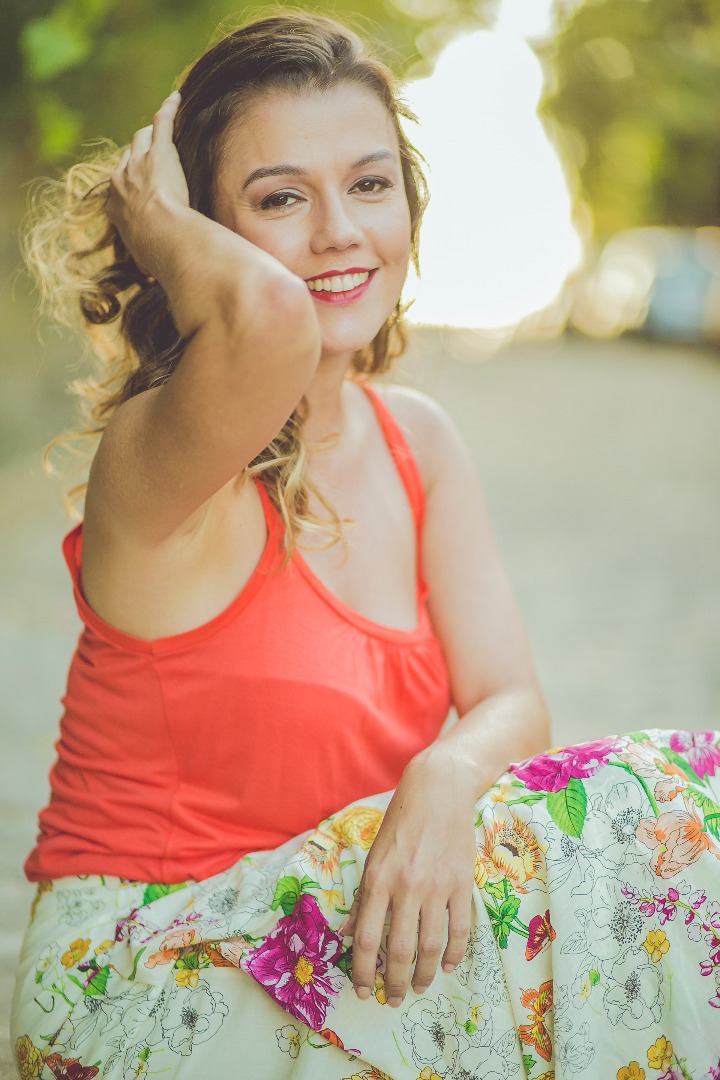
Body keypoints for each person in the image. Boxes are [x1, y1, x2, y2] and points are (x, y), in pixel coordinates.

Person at [10, 12, 720, 1080]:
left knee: (642, 845)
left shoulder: (416, 441)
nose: (340, 231)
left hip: (337, 944)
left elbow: (511, 700)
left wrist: (443, 775)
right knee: (657, 805)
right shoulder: (162, 462)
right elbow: (269, 325)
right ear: (203, 234)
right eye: (280, 198)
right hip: (143, 980)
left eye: (371, 184)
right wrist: (151, 219)